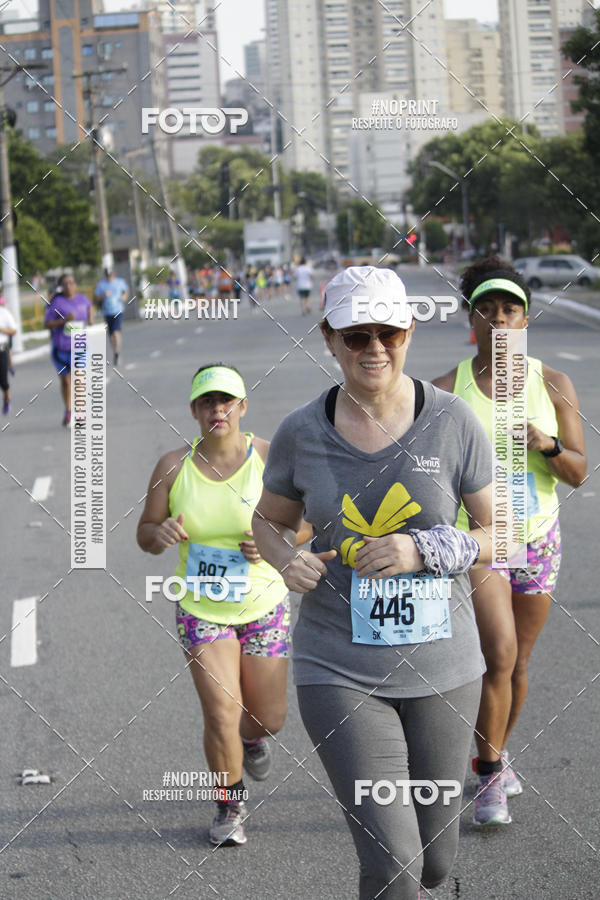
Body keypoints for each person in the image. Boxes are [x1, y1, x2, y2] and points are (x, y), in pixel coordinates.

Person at [252, 266, 495, 899]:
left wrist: (427, 547)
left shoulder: (453, 421)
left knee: (435, 863)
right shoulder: (302, 432)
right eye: (356, 335)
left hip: (445, 666)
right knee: (395, 864)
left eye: (388, 331)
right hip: (339, 668)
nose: (374, 348)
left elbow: (506, 534)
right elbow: (270, 522)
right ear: (329, 338)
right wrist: (285, 560)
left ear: (409, 330)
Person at [432, 257, 587, 826]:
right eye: (487, 308)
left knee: (518, 662)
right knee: (495, 655)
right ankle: (491, 776)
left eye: (510, 309)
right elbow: (426, 472)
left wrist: (546, 444)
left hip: (539, 539)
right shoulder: (446, 390)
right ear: (470, 319)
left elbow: (578, 471)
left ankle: (489, 757)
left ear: (525, 319)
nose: (499, 320)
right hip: (483, 544)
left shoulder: (553, 383)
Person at [137, 364, 312, 848]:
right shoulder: (173, 466)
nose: (218, 410)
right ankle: (228, 803)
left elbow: (309, 526)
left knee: (266, 718)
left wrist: (276, 539)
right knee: (221, 711)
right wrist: (163, 532)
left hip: (265, 604)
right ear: (195, 410)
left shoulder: (270, 458)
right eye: (207, 402)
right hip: (201, 607)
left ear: (242, 407)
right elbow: (144, 535)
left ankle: (252, 742)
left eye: (227, 401)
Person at [44, 273, 94, 427]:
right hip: (61, 348)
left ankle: (79, 413)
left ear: (75, 285)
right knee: (66, 381)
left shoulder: (82, 299)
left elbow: (89, 307)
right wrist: (64, 321)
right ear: (61, 286)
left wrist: (91, 318)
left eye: (71, 282)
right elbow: (47, 324)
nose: (69, 286)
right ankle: (68, 409)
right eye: (65, 283)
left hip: (79, 346)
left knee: (78, 379)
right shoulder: (57, 302)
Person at [93, 267, 128, 366]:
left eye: (111, 275)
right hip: (107, 312)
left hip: (118, 310)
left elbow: (125, 291)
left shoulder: (120, 282)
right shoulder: (101, 285)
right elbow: (96, 298)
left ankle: (117, 352)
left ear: (114, 274)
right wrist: (104, 296)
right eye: (108, 275)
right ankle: (115, 352)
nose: (109, 277)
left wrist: (124, 297)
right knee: (111, 335)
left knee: (116, 333)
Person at [0, 295, 16, 415]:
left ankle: (7, 399)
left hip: (1, 348)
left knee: (3, 381)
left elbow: (14, 330)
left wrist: (2, 330)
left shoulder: (4, 313)